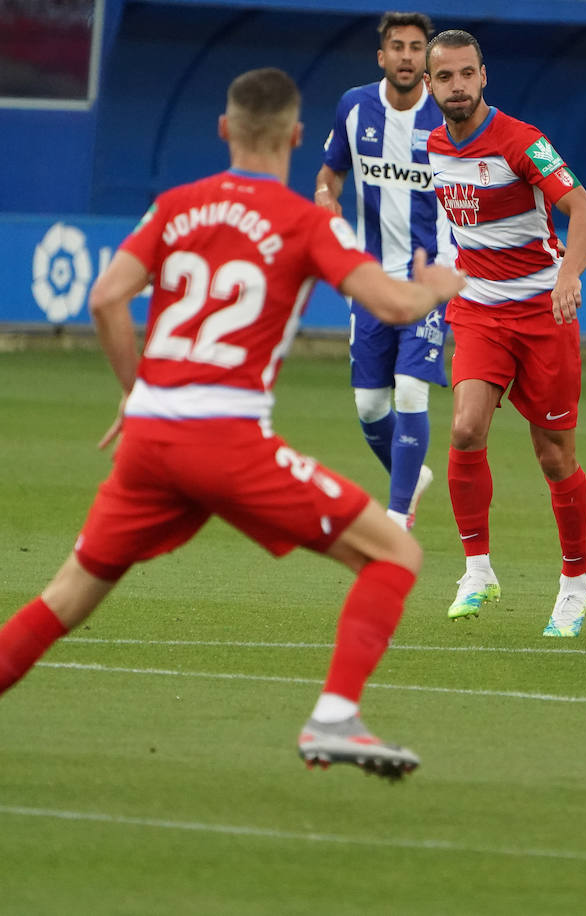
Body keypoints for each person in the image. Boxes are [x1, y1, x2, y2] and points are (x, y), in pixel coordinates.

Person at [0, 68, 466, 779]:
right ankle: (335, 717)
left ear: (224, 130)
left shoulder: (174, 205)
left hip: (150, 442)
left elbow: (104, 298)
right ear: (299, 136)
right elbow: (394, 306)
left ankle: (338, 720)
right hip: (224, 440)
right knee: (394, 555)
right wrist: (432, 287)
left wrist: (138, 390)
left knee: (64, 598)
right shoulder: (307, 220)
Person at [424, 30, 586, 637]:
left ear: (483, 76)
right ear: (429, 85)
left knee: (555, 460)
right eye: (444, 77)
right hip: (477, 311)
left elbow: (585, 211)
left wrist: (567, 276)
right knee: (466, 426)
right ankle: (478, 570)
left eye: (466, 74)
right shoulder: (432, 146)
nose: (457, 86)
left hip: (543, 314)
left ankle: (574, 585)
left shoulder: (523, 142)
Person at [315, 12, 450, 531]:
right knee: (370, 406)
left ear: (427, 58)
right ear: (382, 56)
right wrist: (326, 202)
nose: (407, 56)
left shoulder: (446, 116)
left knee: (412, 390)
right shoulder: (354, 107)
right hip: (371, 280)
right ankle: (410, 478)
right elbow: (329, 174)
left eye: (417, 47)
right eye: (398, 46)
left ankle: (396, 519)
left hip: (430, 279)